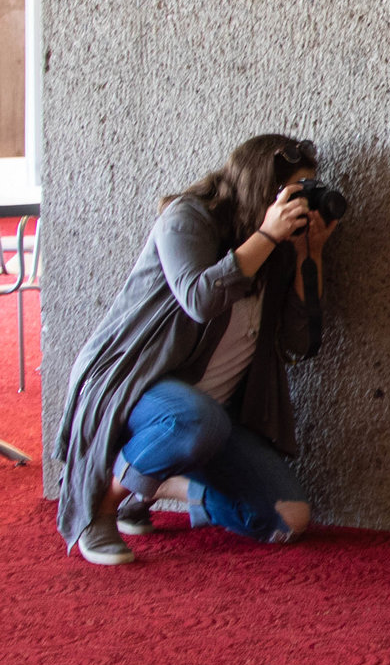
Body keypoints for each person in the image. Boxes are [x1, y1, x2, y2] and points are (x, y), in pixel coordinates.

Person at [55, 135, 337, 565]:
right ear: (262, 189)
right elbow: (199, 299)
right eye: (294, 195)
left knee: (287, 518)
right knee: (196, 418)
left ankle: (158, 482)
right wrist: (266, 234)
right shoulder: (187, 218)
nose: (299, 207)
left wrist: (308, 255)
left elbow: (301, 343)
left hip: (210, 422)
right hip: (137, 386)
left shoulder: (279, 250)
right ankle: (102, 507)